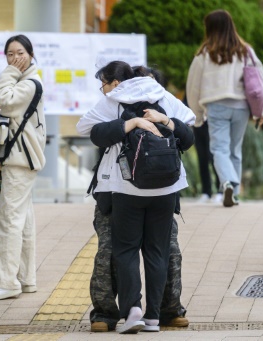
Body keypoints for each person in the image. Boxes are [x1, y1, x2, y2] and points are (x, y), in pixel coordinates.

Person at [77, 61, 195, 334]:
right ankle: (154, 317)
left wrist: (128, 123)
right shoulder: (164, 96)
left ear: (119, 82)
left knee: (126, 250)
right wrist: (164, 120)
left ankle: (133, 312)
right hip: (167, 188)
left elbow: (87, 128)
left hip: (126, 188)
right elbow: (189, 127)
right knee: (158, 251)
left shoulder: (114, 100)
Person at [0, 34, 46, 301]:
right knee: (23, 220)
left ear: (30, 54)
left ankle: (6, 282)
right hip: (19, 160)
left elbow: (3, 101)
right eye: (9, 54)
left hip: (19, 161)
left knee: (8, 220)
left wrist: (8, 72)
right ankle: (25, 278)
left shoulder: (30, 83)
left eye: (20, 53)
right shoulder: (24, 81)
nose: (15, 58)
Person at [186, 9, 263, 207]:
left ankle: (228, 183)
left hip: (216, 106)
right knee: (234, 150)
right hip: (241, 106)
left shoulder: (204, 53)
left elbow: (193, 86)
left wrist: (196, 116)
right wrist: (262, 110)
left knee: (219, 149)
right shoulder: (245, 50)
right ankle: (235, 192)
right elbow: (260, 80)